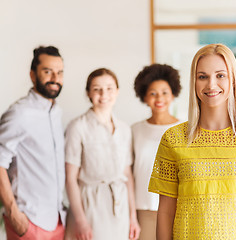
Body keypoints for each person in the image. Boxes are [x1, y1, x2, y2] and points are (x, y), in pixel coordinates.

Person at [148, 43, 236, 239]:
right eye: (202, 77)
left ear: (233, 81)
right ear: (194, 82)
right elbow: (166, 211)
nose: (211, 85)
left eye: (220, 75)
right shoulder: (173, 139)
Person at [64, 68, 140, 240]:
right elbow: (70, 178)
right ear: (88, 93)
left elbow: (127, 175)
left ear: (117, 91)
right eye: (97, 89)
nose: (104, 94)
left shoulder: (124, 129)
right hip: (90, 205)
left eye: (109, 88)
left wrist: (133, 217)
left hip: (120, 208)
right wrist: (81, 221)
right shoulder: (77, 127)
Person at [0, 46, 66, 239]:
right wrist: (13, 213)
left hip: (57, 220)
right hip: (29, 221)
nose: (55, 78)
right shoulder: (19, 113)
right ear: (32, 74)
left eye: (60, 72)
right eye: (47, 71)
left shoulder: (56, 112)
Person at [132, 63, 182, 240]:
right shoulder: (135, 130)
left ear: (173, 94)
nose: (159, 98)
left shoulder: (185, 129)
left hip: (178, 208)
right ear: (144, 97)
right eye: (153, 93)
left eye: (164, 92)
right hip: (144, 209)